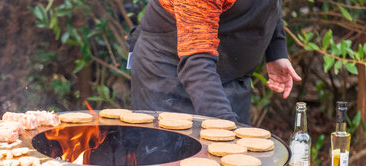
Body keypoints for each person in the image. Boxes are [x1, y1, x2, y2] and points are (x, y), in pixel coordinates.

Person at [129, 0, 301, 124]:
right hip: (169, 76)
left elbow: (269, 7)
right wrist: (225, 127)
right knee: (177, 165)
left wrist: (276, 51)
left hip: (228, 76)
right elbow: (196, 64)